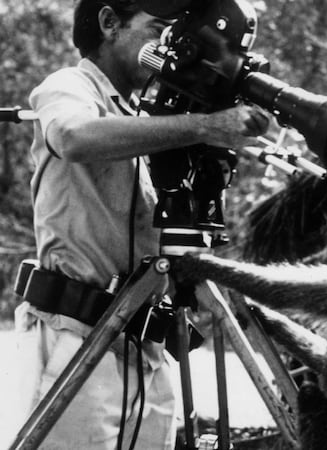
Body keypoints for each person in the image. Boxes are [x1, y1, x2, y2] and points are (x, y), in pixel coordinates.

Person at [8, 1, 270, 449]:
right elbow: (73, 136)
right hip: (76, 340)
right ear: (110, 23)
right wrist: (204, 126)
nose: (168, 43)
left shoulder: (147, 114)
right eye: (159, 28)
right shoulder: (69, 86)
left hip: (145, 352)